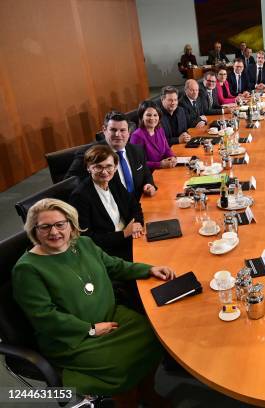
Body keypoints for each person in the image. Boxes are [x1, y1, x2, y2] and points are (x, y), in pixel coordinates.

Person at [12, 198, 175, 404]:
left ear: (71, 224)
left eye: (60, 224)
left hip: (111, 316)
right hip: (74, 338)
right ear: (34, 230)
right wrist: (90, 329)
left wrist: (148, 269)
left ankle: (147, 393)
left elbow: (114, 265)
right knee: (119, 365)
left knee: (155, 335)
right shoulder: (27, 269)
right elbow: (44, 317)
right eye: (45, 227)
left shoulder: (83, 243)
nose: (54, 232)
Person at [69, 145, 144, 261]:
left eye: (109, 166)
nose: (104, 172)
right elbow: (86, 238)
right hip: (108, 252)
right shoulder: (80, 196)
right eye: (98, 167)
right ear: (88, 168)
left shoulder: (113, 181)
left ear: (115, 167)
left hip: (131, 237)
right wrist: (124, 233)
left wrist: (137, 222)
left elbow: (134, 205)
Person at [66, 112, 156, 201]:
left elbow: (147, 175)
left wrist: (149, 185)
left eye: (122, 130)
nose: (117, 134)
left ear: (129, 132)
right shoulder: (88, 155)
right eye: (113, 130)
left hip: (140, 203)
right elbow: (68, 187)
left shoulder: (137, 150)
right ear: (104, 130)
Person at [129, 101, 176, 171]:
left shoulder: (159, 130)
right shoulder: (136, 136)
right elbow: (138, 163)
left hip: (165, 169)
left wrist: (172, 157)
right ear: (142, 117)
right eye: (148, 115)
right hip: (150, 174)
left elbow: (167, 149)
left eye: (155, 115)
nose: (152, 118)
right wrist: (160, 164)